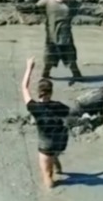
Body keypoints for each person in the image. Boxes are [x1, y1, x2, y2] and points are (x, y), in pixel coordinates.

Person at [21, 56, 72, 189]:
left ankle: (51, 199)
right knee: (53, 153)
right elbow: (71, 115)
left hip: (46, 143)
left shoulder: (35, 108)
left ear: (39, 93)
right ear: (51, 92)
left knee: (47, 175)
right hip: (60, 141)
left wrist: (29, 68)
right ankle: (58, 167)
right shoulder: (60, 106)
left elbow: (24, 88)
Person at [37, 0, 84, 81]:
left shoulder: (70, 4)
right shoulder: (47, 1)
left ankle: (78, 77)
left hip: (66, 38)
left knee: (72, 60)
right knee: (48, 61)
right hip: (51, 38)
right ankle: (44, 77)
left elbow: (86, 10)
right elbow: (33, 8)